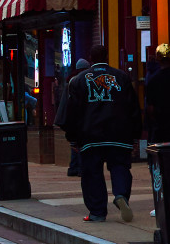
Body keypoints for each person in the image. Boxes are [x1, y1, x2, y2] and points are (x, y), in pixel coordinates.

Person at [59, 46, 141, 223]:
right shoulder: (122, 78)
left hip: (90, 136)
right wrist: (135, 136)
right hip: (119, 134)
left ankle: (97, 212)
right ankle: (121, 195)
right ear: (107, 56)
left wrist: (72, 138)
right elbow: (133, 109)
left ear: (90, 58)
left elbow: (72, 113)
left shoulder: (79, 80)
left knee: (92, 173)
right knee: (120, 167)